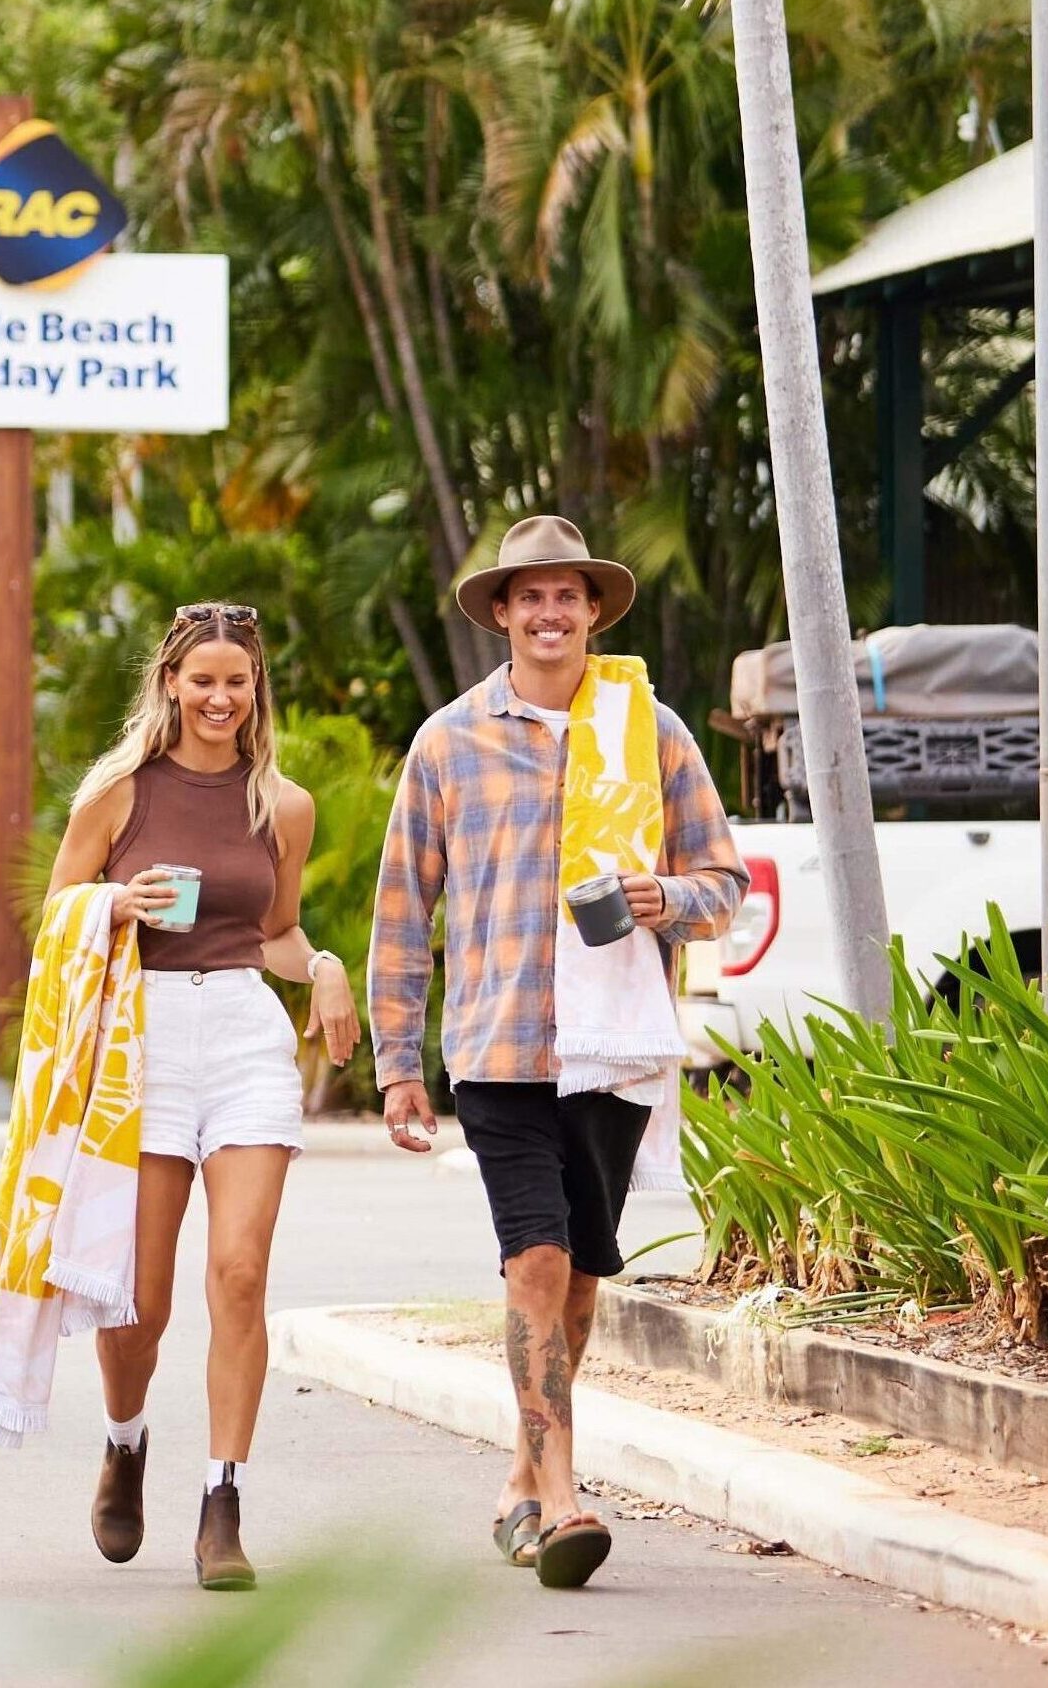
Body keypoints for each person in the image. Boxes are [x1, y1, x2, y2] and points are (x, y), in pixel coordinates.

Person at [367, 516, 745, 1590]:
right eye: (525, 597)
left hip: (611, 1047)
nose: (546, 614)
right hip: (496, 1045)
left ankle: (521, 1478)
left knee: (578, 1283)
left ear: (590, 610)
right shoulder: (445, 742)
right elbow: (404, 908)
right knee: (531, 1263)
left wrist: (660, 897)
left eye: (564, 596)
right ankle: (567, 1495)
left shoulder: (651, 732)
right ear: (499, 612)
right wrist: (399, 1060)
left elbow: (721, 885)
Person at [42, 601, 360, 1591]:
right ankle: (124, 1438)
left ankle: (221, 1501)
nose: (220, 697)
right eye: (202, 679)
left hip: (239, 1034)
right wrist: (111, 905)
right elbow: (52, 915)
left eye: (237, 680)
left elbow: (273, 931)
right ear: (169, 683)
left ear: (255, 688)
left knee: (238, 1269)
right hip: (140, 1040)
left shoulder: (283, 805)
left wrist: (325, 967)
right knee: (137, 1300)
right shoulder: (118, 791)